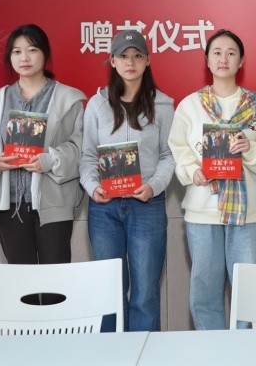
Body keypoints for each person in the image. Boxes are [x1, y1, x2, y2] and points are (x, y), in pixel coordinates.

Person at [168, 29, 256, 330]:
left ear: (241, 61)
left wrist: (250, 149)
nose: (223, 58)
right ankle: (211, 350)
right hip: (202, 211)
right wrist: (192, 171)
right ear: (207, 60)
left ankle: (243, 350)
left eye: (231, 53)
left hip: (248, 213)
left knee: (248, 293)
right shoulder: (190, 105)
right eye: (217, 52)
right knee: (204, 291)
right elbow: (178, 149)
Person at [0, 24, 86, 266]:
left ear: (45, 54)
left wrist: (49, 160)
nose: (25, 58)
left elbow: (80, 148)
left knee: (55, 279)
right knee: (20, 281)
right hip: (10, 207)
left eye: (32, 50)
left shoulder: (69, 100)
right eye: (17, 52)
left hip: (53, 205)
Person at [79, 30, 175, 331]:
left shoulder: (164, 105)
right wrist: (93, 187)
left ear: (147, 60)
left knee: (145, 294)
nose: (130, 62)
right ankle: (111, 353)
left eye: (137, 55)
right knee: (108, 292)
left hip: (147, 205)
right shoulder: (97, 104)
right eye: (123, 56)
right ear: (112, 61)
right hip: (104, 208)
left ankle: (145, 352)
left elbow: (168, 156)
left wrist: (153, 186)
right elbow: (87, 155)